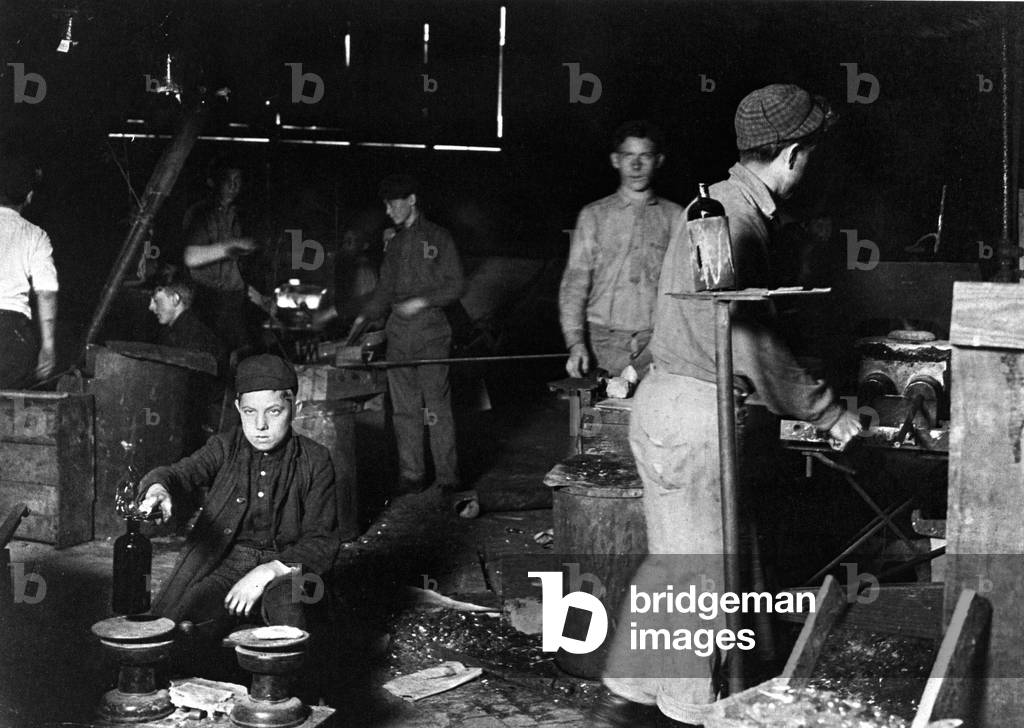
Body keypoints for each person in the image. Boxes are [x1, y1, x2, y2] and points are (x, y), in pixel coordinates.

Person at [591, 85, 863, 727]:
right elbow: (751, 344)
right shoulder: (733, 222)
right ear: (793, 154)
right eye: (811, 155)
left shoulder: (705, 205)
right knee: (705, 583)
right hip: (696, 416)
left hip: (662, 408)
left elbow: (676, 322)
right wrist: (829, 412)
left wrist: (634, 372)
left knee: (673, 564)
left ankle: (633, 688)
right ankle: (691, 711)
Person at [137, 354, 340, 633]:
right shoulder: (224, 447)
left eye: (273, 411)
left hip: (287, 567)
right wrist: (159, 488)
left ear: (296, 408)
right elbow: (180, 473)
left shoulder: (315, 460)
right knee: (184, 621)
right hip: (229, 561)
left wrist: (268, 571)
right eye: (249, 412)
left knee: (288, 615)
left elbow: (321, 541)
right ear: (237, 408)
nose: (260, 426)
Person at [349, 174, 464, 494]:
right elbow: (385, 290)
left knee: (437, 409)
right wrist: (366, 313)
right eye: (385, 204)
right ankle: (412, 475)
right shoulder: (396, 244)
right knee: (403, 409)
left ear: (412, 200)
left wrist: (422, 302)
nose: (388, 210)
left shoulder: (440, 238)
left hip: (430, 330)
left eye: (393, 203)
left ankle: (447, 478)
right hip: (398, 333)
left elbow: (455, 285)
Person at [559, 120, 683, 380]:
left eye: (645, 156)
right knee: (601, 418)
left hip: (657, 344)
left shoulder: (676, 217)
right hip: (602, 345)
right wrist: (575, 343)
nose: (636, 166)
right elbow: (574, 286)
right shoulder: (594, 216)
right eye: (628, 156)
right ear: (616, 160)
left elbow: (685, 290)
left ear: (658, 160)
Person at [182, 157, 261, 353]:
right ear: (213, 182)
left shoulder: (240, 215)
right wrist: (232, 245)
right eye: (228, 180)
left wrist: (257, 296)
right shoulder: (200, 213)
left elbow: (242, 266)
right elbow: (191, 257)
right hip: (205, 298)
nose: (234, 186)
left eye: (238, 180)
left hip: (234, 300)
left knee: (241, 353)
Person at [0, 156, 58, 388]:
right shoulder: (36, 236)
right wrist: (48, 346)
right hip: (13, 336)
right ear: (29, 197)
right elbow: (46, 293)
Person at [147, 264, 225, 366]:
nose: (151, 307)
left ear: (175, 299)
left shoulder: (188, 339)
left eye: (156, 301)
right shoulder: (192, 330)